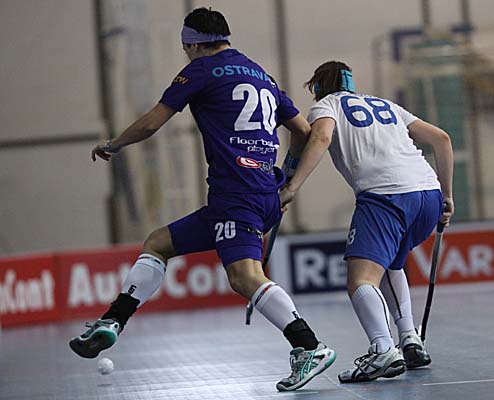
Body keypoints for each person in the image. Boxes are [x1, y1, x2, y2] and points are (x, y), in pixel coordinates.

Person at [68, 8, 335, 392]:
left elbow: (151, 122)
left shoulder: (200, 70)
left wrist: (114, 144)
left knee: (245, 277)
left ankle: (309, 346)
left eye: (185, 48)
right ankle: (113, 319)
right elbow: (304, 131)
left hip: (236, 195)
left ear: (193, 44)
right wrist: (288, 178)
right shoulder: (261, 74)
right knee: (158, 243)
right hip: (260, 192)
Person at [279, 61, 454, 383]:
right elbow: (442, 138)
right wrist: (447, 195)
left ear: (318, 87)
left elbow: (321, 138)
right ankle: (410, 340)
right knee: (390, 265)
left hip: (385, 196)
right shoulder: (385, 105)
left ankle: (382, 349)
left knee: (361, 280)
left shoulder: (326, 105)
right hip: (428, 194)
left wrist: (292, 188)